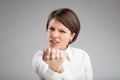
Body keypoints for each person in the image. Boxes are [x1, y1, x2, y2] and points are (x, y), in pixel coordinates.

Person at [32, 8, 93, 80]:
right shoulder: (40, 56)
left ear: (72, 36)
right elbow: (47, 75)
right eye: (51, 29)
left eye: (62, 31)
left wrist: (58, 69)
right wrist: (57, 69)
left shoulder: (83, 56)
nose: (54, 35)